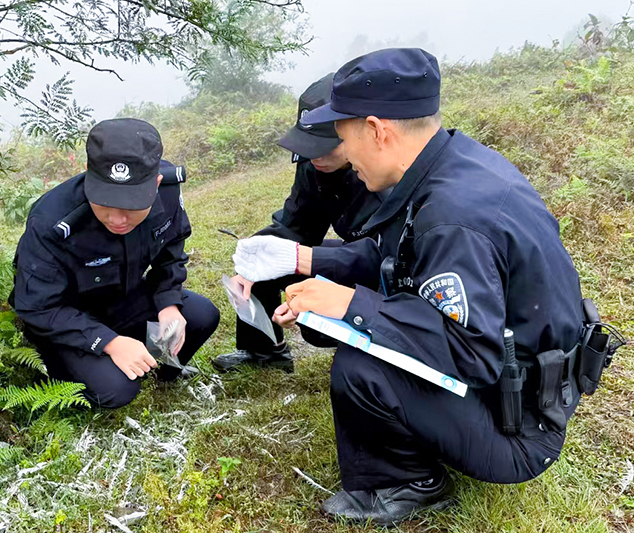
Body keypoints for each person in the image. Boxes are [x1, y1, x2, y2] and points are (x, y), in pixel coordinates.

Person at [234, 48, 589, 525]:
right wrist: (317, 275)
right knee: (358, 328)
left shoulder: (452, 218)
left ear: (378, 130)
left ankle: (411, 482)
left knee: (362, 365)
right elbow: (393, 255)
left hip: (520, 428)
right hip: (524, 387)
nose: (342, 158)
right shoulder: (448, 165)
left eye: (342, 138)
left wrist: (353, 305)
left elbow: (474, 353)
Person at [10, 118, 220, 409]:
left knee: (202, 315)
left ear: (155, 183)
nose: (118, 220)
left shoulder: (168, 190)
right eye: (106, 203)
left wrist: (169, 303)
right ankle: (83, 371)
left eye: (132, 205)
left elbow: (171, 247)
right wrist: (108, 342)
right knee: (117, 391)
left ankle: (158, 370)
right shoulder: (51, 221)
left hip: (121, 301)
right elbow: (39, 308)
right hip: (67, 319)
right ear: (88, 174)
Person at [213, 73, 382, 373]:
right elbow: (297, 224)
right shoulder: (313, 166)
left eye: (325, 146)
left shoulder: (387, 172)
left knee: (317, 328)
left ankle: (379, 345)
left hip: (389, 270)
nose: (314, 156)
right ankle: (266, 350)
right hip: (356, 254)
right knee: (265, 255)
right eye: (307, 145)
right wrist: (254, 260)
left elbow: (388, 254)